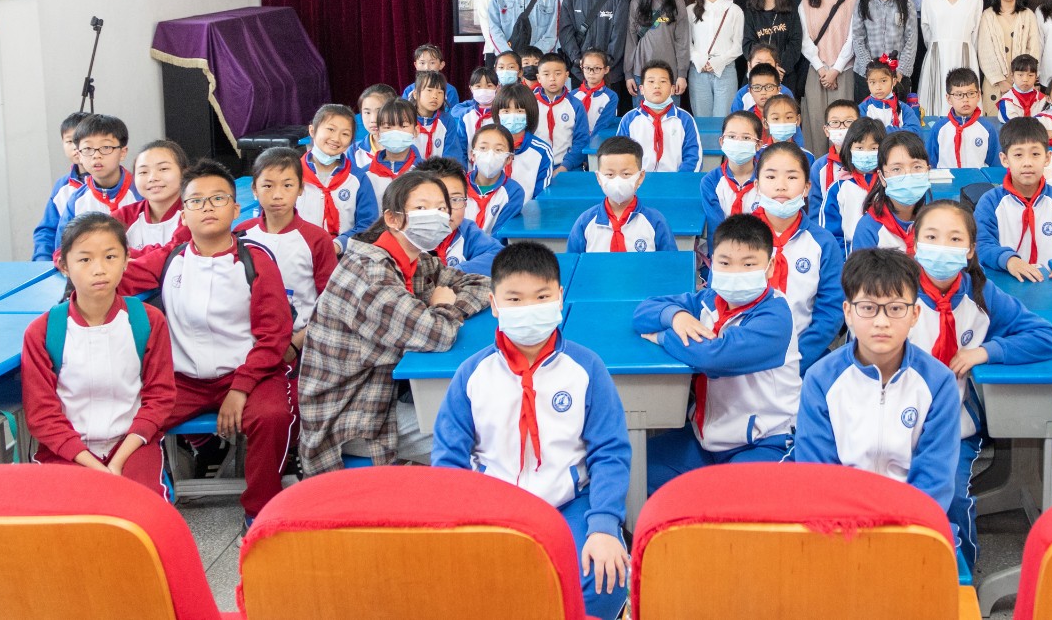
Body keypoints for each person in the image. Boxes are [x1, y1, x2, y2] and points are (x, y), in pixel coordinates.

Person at [431, 242, 631, 620]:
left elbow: (610, 452)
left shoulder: (586, 368)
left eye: (541, 297)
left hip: (568, 503)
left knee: (604, 578)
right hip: (491, 506)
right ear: (494, 304)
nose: (529, 309)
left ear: (560, 297)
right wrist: (457, 522)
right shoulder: (472, 374)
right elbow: (448, 457)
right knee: (471, 581)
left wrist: (605, 525)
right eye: (514, 299)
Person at [121, 161, 294, 524]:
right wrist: (74, 258)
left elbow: (274, 336)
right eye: (196, 201)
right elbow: (116, 275)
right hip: (183, 381)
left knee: (273, 416)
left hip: (250, 375)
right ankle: (150, 503)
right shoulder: (170, 259)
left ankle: (260, 510)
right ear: (183, 215)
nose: (208, 207)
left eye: (218, 198)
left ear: (236, 208)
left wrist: (240, 389)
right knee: (129, 420)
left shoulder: (255, 261)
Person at [297, 170, 492, 473]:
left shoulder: (416, 258)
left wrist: (444, 306)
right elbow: (439, 334)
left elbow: (481, 284)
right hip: (352, 414)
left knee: (478, 407)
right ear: (392, 218)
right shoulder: (371, 275)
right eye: (422, 208)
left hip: (389, 390)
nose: (435, 216)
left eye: (441, 208)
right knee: (479, 432)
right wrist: (442, 306)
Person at [906, 200, 1052, 560]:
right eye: (932, 237)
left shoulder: (979, 292)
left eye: (954, 239)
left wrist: (987, 351)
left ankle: (962, 574)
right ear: (914, 243)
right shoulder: (896, 292)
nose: (942, 247)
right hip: (893, 419)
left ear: (970, 250)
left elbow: (1045, 337)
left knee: (951, 496)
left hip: (953, 424)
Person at [635, 214, 800, 489]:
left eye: (749, 264)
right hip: (708, 439)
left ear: (770, 267)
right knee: (635, 471)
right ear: (712, 264)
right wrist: (676, 316)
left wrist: (663, 336)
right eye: (725, 263)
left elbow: (714, 357)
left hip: (764, 443)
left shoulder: (775, 316)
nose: (735, 273)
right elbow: (644, 311)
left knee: (727, 502)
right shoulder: (710, 300)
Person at [796, 248, 961, 518]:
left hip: (912, 520)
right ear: (848, 312)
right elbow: (817, 474)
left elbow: (935, 477)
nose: (881, 322)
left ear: (915, 314)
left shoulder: (939, 382)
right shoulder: (820, 380)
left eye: (895, 308)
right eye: (868, 308)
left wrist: (900, 526)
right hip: (839, 519)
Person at [22, 214, 174, 495]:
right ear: (63, 266)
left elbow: (160, 398)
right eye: (85, 259)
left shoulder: (148, 321)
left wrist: (116, 462)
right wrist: (96, 468)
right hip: (66, 452)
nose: (99, 269)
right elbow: (42, 415)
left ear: (126, 260)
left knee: (142, 511)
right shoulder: (42, 332)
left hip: (131, 446)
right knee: (73, 515)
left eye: (110, 257)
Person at [750, 141, 844, 370]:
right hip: (746, 358)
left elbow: (830, 311)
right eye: (771, 177)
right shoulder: (737, 237)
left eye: (792, 177)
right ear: (757, 186)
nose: (781, 186)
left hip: (804, 360)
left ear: (806, 187)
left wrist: (796, 359)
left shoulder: (823, 243)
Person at [975, 117, 1052, 282]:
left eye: (1035, 154)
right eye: (1018, 155)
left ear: (1047, 158)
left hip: (1049, 285)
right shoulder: (990, 202)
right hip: (1003, 284)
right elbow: (981, 244)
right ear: (1004, 159)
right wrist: (1009, 260)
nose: (1027, 163)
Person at [237, 148, 338, 346]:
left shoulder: (317, 239)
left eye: (288, 185)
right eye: (267, 186)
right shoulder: (241, 234)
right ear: (254, 189)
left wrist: (295, 345)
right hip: (247, 340)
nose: (277, 195)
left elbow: (330, 301)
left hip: (299, 341)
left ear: (300, 188)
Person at [568, 136, 677, 253]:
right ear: (599, 177)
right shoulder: (585, 223)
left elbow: (670, 262)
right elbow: (572, 262)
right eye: (610, 174)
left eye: (626, 174)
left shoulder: (656, 222)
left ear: (640, 177)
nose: (618, 182)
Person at [50, 114, 141, 253]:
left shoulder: (141, 193)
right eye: (88, 149)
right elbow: (62, 251)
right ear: (79, 155)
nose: (96, 155)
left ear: (123, 152)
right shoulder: (76, 200)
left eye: (106, 147)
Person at [798, 0, 858, 154]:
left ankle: (843, 165)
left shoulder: (852, 0)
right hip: (817, 72)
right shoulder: (806, 1)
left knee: (843, 124)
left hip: (843, 71)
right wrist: (822, 68)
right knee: (815, 123)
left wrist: (835, 69)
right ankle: (817, 167)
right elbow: (804, 39)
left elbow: (853, 38)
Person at [299, 103, 376, 251]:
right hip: (298, 253)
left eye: (345, 134)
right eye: (331, 129)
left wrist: (338, 245)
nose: (336, 138)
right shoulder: (292, 174)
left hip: (343, 255)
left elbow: (367, 224)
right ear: (312, 131)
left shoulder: (358, 178)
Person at [919, 0, 982, 119]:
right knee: (935, 105)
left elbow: (976, 32)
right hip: (937, 56)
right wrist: (939, 46)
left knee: (965, 99)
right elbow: (926, 31)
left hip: (965, 55)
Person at [415, 156, 505, 276]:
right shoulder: (405, 235)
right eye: (436, 199)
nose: (446, 209)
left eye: (455, 199)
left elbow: (500, 256)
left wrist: (454, 273)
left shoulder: (466, 230)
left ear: (465, 203)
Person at [851, 130, 934, 251]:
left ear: (928, 171)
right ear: (882, 177)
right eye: (896, 169)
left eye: (917, 167)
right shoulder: (869, 229)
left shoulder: (937, 220)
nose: (907, 175)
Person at [850, 0, 917, 98]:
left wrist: (900, 71)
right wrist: (871, 71)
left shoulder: (906, 4)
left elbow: (911, 40)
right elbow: (858, 38)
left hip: (897, 76)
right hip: (867, 77)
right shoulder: (862, 3)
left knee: (897, 112)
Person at [623, 0, 690, 102]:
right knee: (642, 115)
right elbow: (631, 40)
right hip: (641, 73)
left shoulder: (677, 4)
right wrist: (628, 74)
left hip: (670, 74)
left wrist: (682, 74)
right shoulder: (636, 4)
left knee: (670, 115)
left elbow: (682, 41)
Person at [615, 61, 702, 172]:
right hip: (640, 180)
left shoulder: (684, 119)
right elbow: (621, 154)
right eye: (651, 81)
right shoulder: (629, 119)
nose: (657, 86)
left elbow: (693, 157)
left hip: (675, 180)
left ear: (672, 89)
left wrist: (680, 180)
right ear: (642, 89)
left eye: (663, 81)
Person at [977, 0, 1041, 113]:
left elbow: (1034, 50)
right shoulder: (988, 15)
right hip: (994, 84)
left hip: (1023, 83)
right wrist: (1000, 81)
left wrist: (1022, 77)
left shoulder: (1028, 15)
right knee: (994, 119)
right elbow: (985, 52)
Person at [701, 110, 764, 252]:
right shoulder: (711, 182)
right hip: (723, 251)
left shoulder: (768, 179)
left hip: (760, 250)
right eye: (731, 136)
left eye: (746, 138)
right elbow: (715, 226)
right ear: (722, 141)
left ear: (758, 144)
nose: (738, 142)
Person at [31, 110, 89, 261]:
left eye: (82, 140)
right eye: (70, 141)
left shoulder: (118, 183)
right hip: (68, 265)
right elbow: (47, 230)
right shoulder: (62, 186)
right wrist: (42, 262)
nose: (76, 147)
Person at [689, 0, 745, 118]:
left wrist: (718, 62)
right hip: (698, 70)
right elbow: (686, 43)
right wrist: (699, 60)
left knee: (724, 121)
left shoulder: (734, 10)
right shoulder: (691, 10)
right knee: (702, 121)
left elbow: (738, 45)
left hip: (725, 70)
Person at [117, 140, 190, 251]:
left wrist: (126, 255)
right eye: (143, 172)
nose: (153, 178)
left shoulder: (194, 213)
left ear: (184, 172)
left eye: (163, 169)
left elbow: (173, 252)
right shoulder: (123, 217)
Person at [741, 0, 803, 90]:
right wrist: (766, 67)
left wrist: (778, 67)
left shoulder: (790, 10)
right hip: (756, 74)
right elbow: (748, 44)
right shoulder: (751, 12)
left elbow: (795, 43)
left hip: (783, 74)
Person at [824, 117, 884, 248]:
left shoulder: (888, 184)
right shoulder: (838, 188)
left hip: (887, 256)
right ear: (849, 149)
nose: (866, 153)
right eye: (860, 148)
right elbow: (830, 234)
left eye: (874, 148)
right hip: (851, 257)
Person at [925, 68, 999, 169]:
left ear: (978, 95)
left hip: (978, 178)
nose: (965, 99)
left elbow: (994, 165)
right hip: (946, 179)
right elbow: (930, 163)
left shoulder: (988, 128)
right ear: (949, 98)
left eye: (971, 93)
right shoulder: (939, 128)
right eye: (959, 95)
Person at [494, 83, 555, 200]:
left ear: (530, 114)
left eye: (519, 111)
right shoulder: (487, 147)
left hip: (527, 210)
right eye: (506, 111)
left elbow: (540, 196)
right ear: (498, 113)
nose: (512, 116)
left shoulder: (542, 151)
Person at [534, 54, 590, 175]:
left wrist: (565, 166)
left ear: (566, 75)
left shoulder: (576, 105)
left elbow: (581, 140)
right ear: (538, 78)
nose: (552, 78)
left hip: (569, 167)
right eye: (546, 74)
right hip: (535, 168)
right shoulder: (530, 104)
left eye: (558, 73)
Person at [465, 123, 526, 234]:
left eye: (498, 150)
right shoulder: (457, 185)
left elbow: (500, 235)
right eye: (483, 148)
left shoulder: (513, 192)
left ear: (508, 158)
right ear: (472, 155)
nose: (490, 155)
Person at [365, 98, 423, 207]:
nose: (395, 132)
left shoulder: (425, 173)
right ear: (378, 133)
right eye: (388, 127)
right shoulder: (365, 175)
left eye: (403, 126)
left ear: (416, 131)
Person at [812, 99, 860, 217]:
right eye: (835, 122)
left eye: (849, 122)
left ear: (860, 126)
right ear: (826, 130)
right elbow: (815, 210)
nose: (842, 127)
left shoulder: (870, 161)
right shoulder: (819, 167)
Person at [410, 71, 465, 162]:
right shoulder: (405, 120)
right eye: (429, 90)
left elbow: (453, 155)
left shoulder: (447, 120)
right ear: (415, 94)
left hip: (441, 170)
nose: (435, 96)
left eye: (440, 92)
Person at [859, 59, 922, 132]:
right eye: (872, 82)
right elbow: (858, 133)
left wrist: (884, 132)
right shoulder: (862, 109)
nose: (878, 87)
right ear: (867, 83)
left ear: (894, 81)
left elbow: (916, 131)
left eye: (883, 81)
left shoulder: (904, 109)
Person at [574, 50, 621, 142]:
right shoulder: (573, 95)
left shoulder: (611, 97)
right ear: (581, 68)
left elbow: (603, 124)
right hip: (574, 142)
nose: (591, 73)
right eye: (587, 68)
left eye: (597, 68)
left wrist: (589, 144)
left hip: (597, 143)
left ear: (606, 70)